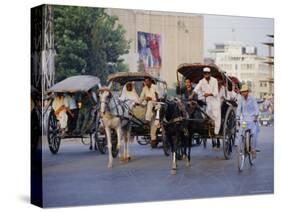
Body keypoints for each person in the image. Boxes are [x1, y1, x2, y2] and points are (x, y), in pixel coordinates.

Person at [189, 67, 221, 135]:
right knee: (205, 110)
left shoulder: (214, 80)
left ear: (210, 74)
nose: (206, 74)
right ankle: (207, 124)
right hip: (206, 100)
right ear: (203, 74)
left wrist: (209, 94)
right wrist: (192, 95)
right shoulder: (201, 81)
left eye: (207, 73)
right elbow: (196, 89)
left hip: (215, 100)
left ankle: (216, 131)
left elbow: (216, 92)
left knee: (216, 115)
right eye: (205, 73)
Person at [236, 84, 260, 158]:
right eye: (242, 92)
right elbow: (239, 109)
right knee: (241, 132)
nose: (244, 93)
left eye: (245, 91)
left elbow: (256, 108)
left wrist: (256, 116)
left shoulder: (252, 99)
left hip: (252, 119)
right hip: (244, 120)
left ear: (248, 91)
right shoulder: (241, 100)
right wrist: (237, 118)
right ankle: (241, 147)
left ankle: (253, 149)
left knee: (254, 133)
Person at [139, 77, 159, 147]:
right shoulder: (144, 88)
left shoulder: (155, 87)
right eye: (145, 82)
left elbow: (159, 96)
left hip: (155, 103)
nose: (146, 83)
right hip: (147, 104)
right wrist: (138, 102)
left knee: (150, 103)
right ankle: (153, 138)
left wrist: (151, 98)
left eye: (147, 81)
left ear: (150, 81)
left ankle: (147, 119)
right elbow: (141, 98)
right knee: (141, 105)